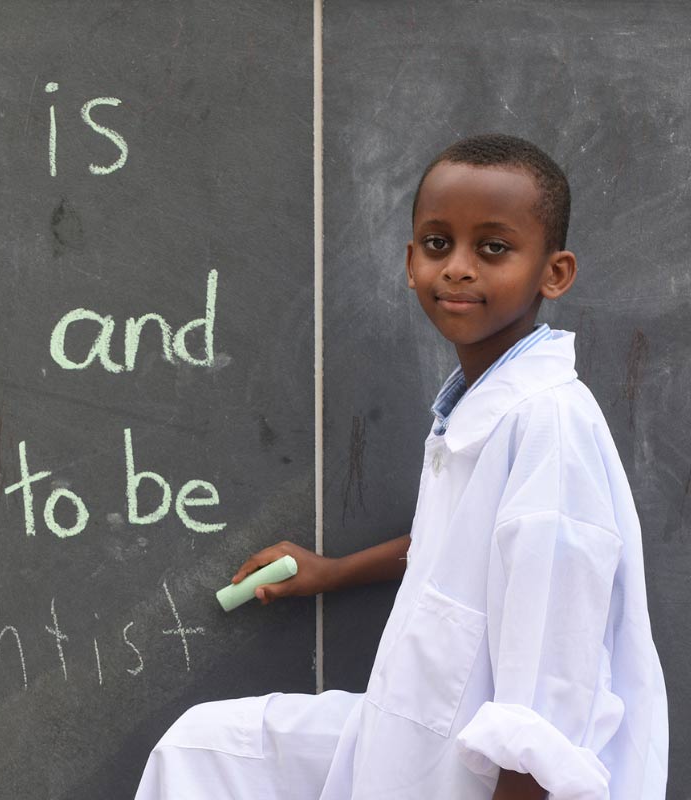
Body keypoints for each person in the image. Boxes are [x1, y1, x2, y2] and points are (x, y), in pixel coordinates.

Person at [133, 134, 668, 800]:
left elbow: (550, 692)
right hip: (415, 737)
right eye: (439, 244)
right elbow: (455, 553)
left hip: (487, 772)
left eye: (493, 248)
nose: (459, 268)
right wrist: (333, 571)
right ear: (410, 261)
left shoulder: (547, 426)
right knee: (202, 751)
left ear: (553, 273)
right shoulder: (478, 408)